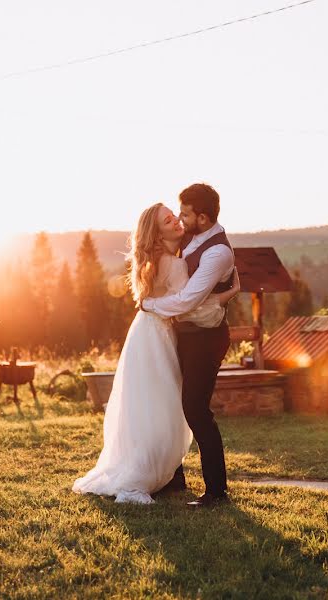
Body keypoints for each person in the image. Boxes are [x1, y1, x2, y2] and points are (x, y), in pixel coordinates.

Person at [72, 201, 240, 504]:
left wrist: (151, 305)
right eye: (168, 221)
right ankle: (157, 475)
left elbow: (173, 301)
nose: (177, 221)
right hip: (158, 335)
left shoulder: (168, 257)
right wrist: (228, 292)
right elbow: (190, 302)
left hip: (147, 332)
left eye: (176, 216)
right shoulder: (172, 263)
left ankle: (172, 476)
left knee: (158, 403)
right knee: (164, 404)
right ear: (158, 234)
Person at [141, 183, 235, 508]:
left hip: (206, 339)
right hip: (186, 335)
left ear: (204, 218)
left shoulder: (217, 252)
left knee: (196, 409)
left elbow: (188, 300)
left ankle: (217, 491)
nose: (180, 219)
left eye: (186, 214)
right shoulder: (194, 237)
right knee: (171, 402)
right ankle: (173, 477)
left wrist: (149, 306)